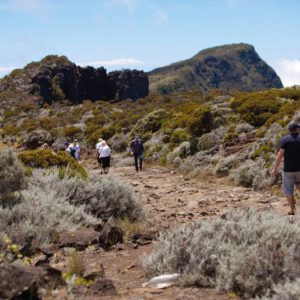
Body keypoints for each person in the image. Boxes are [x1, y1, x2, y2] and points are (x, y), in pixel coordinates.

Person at [271, 122, 300, 215]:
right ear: (296, 129)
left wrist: (275, 169)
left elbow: (279, 155)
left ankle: (292, 210)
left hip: (288, 170)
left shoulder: (285, 140)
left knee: (288, 190)